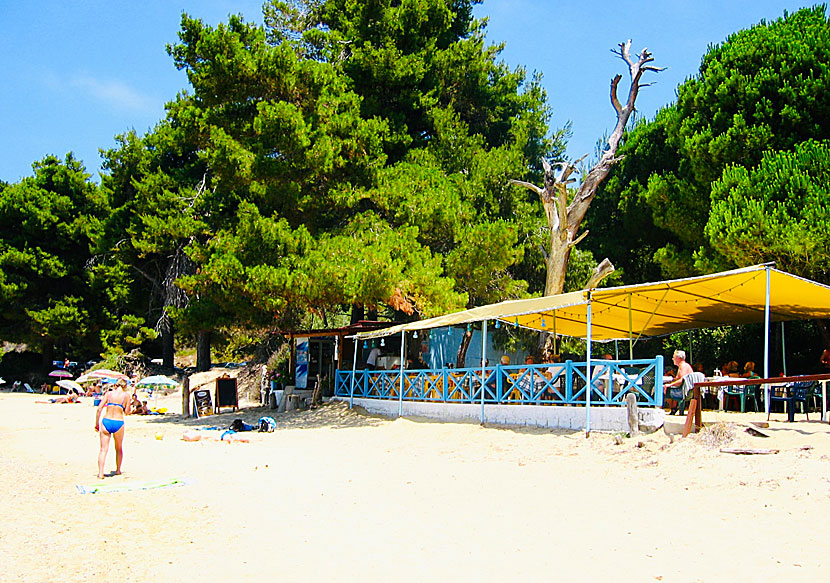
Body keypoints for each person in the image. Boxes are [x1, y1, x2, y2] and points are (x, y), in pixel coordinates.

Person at [95, 380, 132, 479]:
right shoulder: (126, 396)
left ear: (115, 385)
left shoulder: (109, 394)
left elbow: (99, 408)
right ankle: (118, 470)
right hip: (118, 422)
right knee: (119, 448)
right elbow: (127, 412)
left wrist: (97, 423)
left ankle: (101, 473)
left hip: (106, 420)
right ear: (125, 386)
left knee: (103, 449)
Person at [665, 350, 694, 414]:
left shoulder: (683, 366)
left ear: (678, 358)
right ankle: (674, 408)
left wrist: (669, 385)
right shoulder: (684, 365)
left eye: (674, 357)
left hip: (683, 391)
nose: (672, 359)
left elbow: (682, 380)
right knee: (666, 386)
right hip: (685, 390)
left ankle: (661, 408)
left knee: (662, 389)